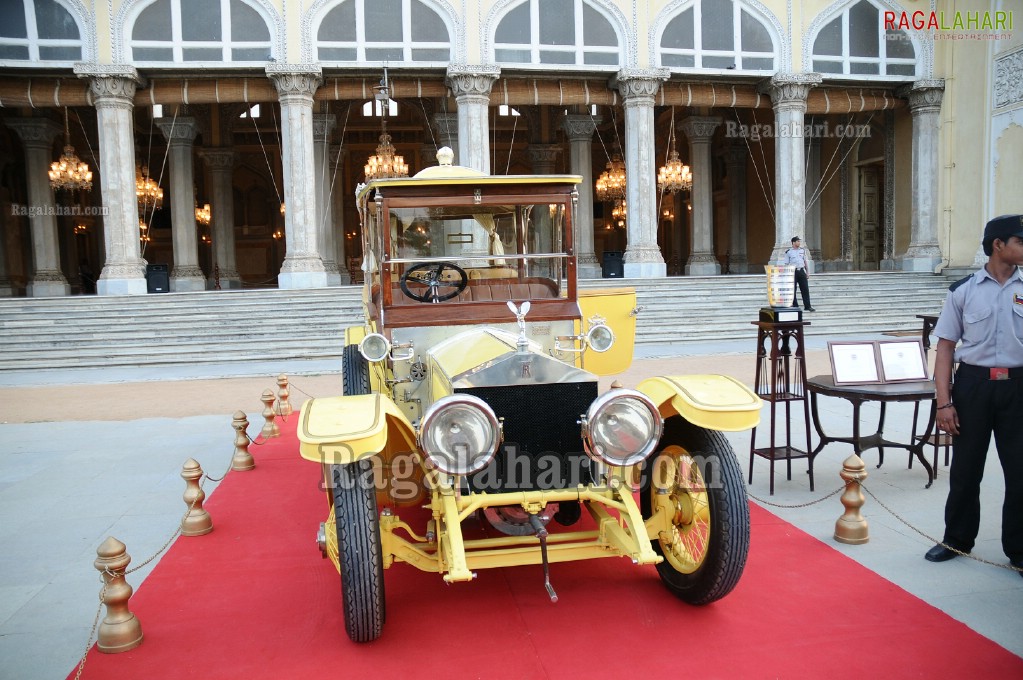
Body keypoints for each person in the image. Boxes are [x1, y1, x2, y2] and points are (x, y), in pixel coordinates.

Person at [925, 214, 1023, 579]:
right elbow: (946, 348)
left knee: (1020, 473)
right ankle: (957, 540)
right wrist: (944, 402)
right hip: (973, 388)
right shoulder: (963, 291)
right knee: (966, 470)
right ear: (998, 244)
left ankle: (1019, 550)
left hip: (1018, 387)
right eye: (1020, 240)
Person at [782, 236, 815, 311]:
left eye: (799, 241)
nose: (799, 243)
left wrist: (807, 272)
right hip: (793, 271)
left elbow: (805, 262)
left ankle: (807, 306)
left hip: (801, 271)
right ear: (793, 242)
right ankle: (795, 305)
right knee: (793, 289)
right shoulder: (788, 252)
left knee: (805, 289)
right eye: (798, 241)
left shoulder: (802, 251)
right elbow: (786, 264)